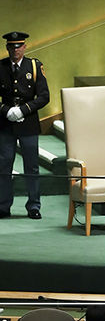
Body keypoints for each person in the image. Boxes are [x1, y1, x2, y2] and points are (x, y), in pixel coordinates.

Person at [0, 30, 50, 219]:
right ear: (7, 48)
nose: (15, 50)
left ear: (25, 46)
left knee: (32, 166)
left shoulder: (34, 66)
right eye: (12, 47)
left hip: (28, 124)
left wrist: (23, 110)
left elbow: (44, 96)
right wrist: (6, 111)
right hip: (5, 125)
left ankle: (34, 206)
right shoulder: (1, 67)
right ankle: (3, 206)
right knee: (4, 166)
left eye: (19, 46)